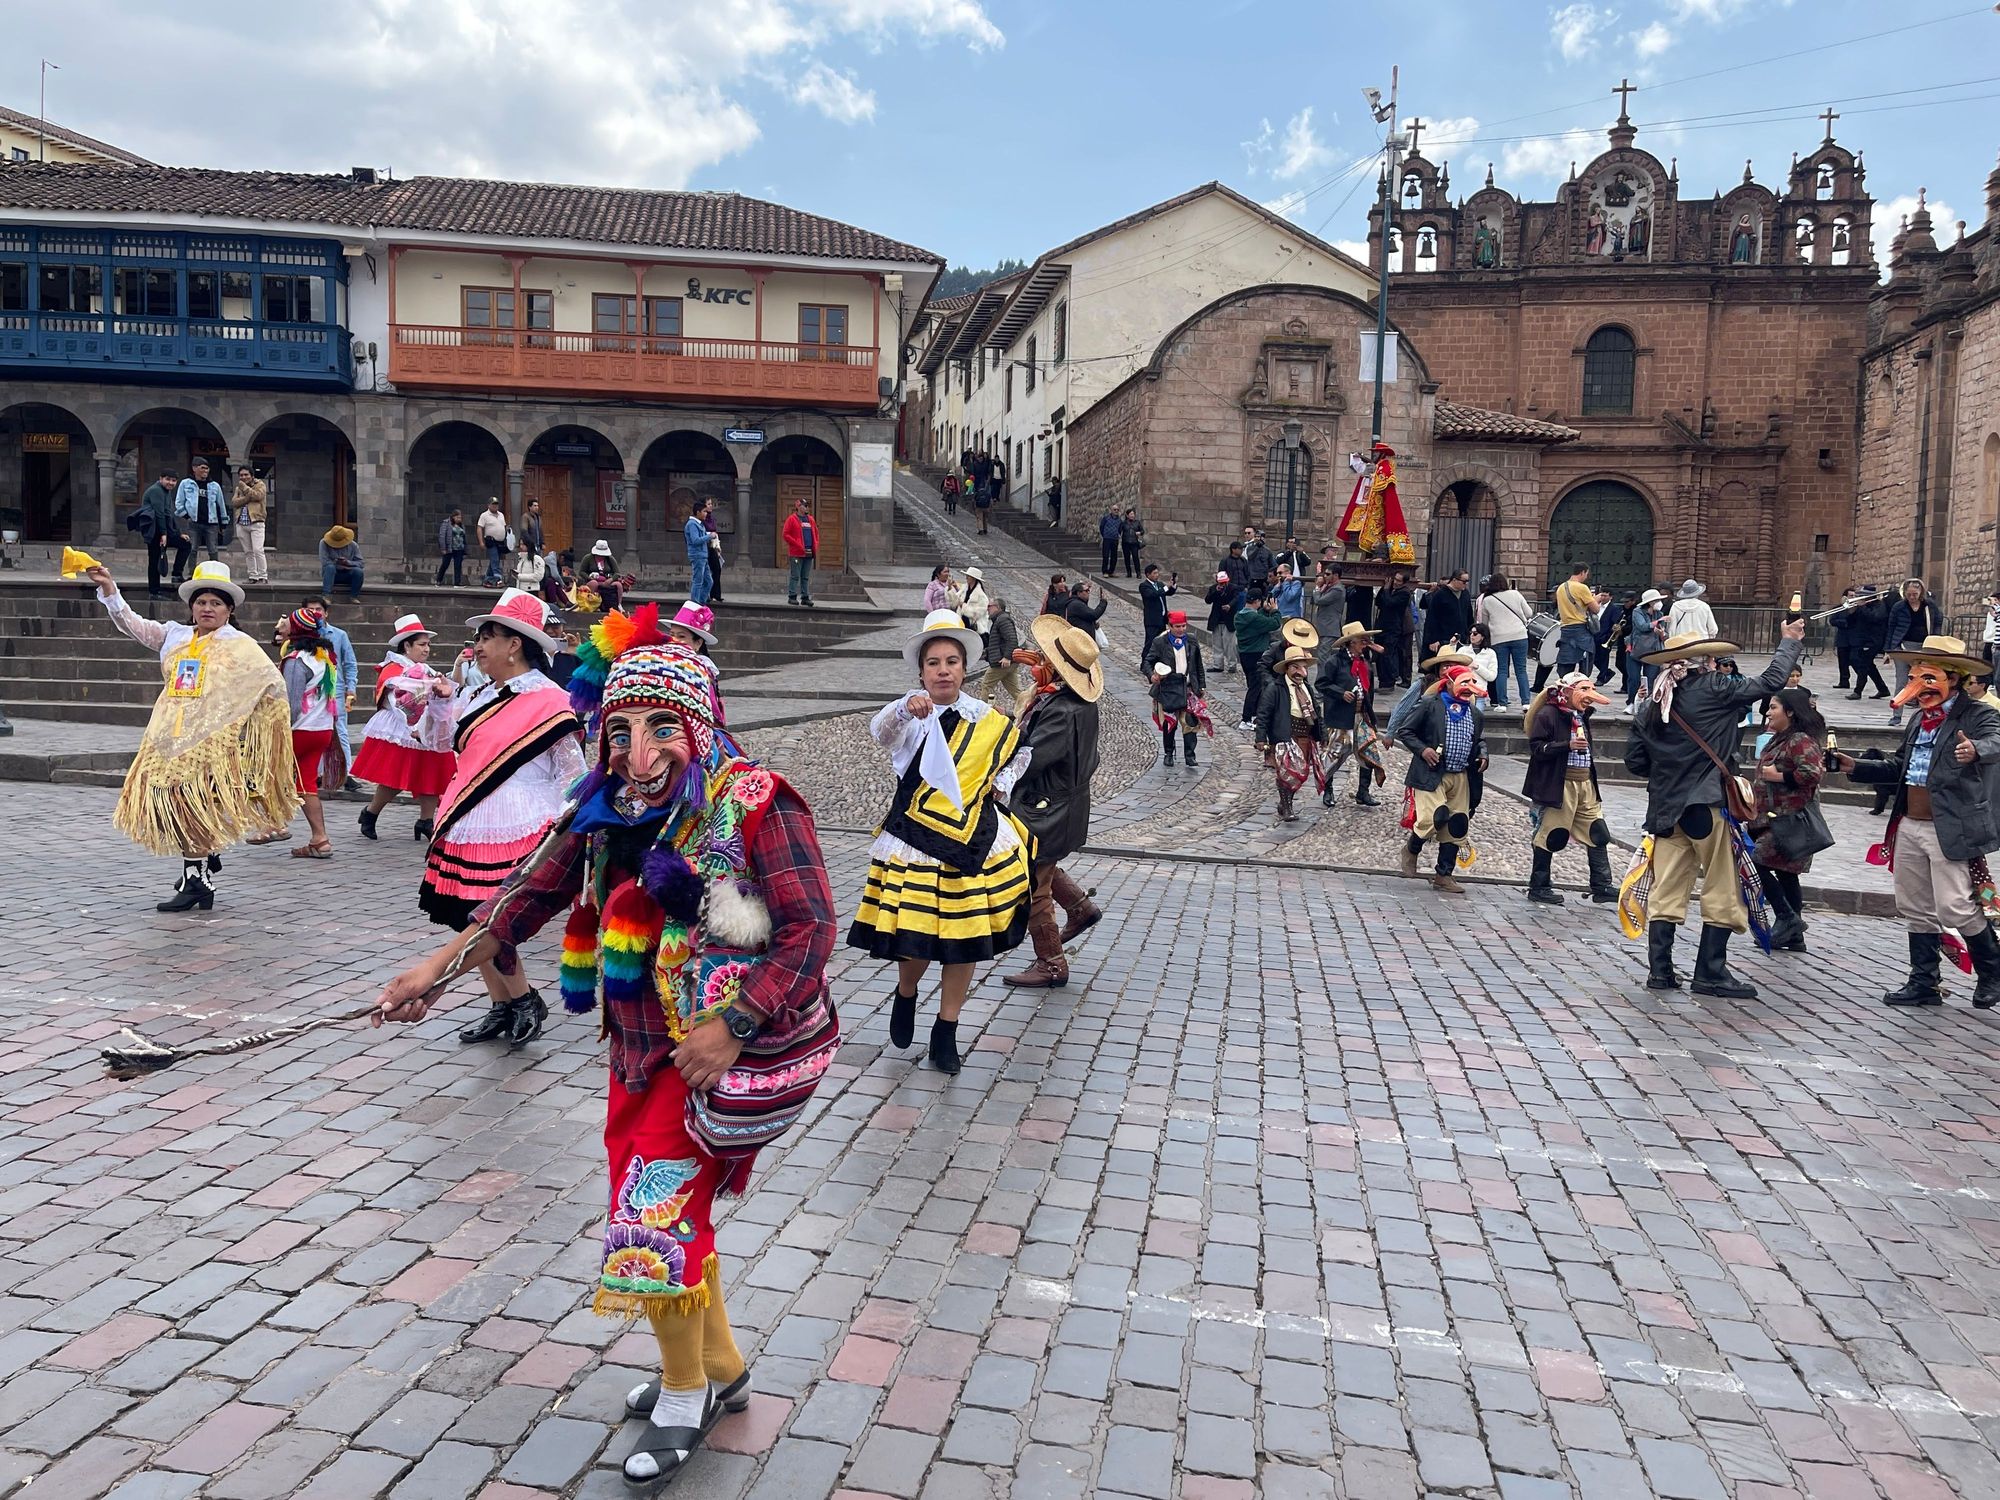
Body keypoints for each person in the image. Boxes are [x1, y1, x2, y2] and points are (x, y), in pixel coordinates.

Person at [374, 627, 837, 1488]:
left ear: (698, 724)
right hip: (637, 1052)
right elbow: (526, 895)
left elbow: (809, 931)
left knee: (651, 1220)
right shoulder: (602, 809)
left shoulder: (757, 802)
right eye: (620, 730)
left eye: (662, 727)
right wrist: (437, 968)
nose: (638, 751)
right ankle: (723, 1368)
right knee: (672, 1214)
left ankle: (687, 1392)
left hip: (711, 1053)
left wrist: (734, 1024)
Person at [849, 608, 1033, 1075]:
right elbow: (880, 733)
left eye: (952, 661)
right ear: (921, 672)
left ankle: (946, 1030)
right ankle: (906, 992)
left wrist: (1000, 787)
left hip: (969, 844)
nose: (944, 670)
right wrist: (903, 708)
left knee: (963, 940)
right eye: (934, 663)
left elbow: (1018, 752)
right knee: (915, 939)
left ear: (964, 668)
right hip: (915, 842)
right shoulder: (909, 713)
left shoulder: (986, 717)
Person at [420, 589, 588, 1048]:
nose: (478, 646)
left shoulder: (550, 700)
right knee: (468, 916)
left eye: (486, 637)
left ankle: (524, 1000)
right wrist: (441, 703)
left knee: (495, 918)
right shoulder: (480, 695)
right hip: (471, 819)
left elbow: (572, 773)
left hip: (520, 824)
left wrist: (564, 833)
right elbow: (442, 743)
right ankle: (504, 1003)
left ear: (514, 644)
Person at [83, 560, 298, 912]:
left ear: (229, 610)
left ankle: (196, 879)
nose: (207, 609)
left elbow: (272, 686)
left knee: (192, 809)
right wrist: (109, 588)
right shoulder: (175, 635)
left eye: (216, 603)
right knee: (171, 807)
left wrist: (250, 734)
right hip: (167, 738)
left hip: (210, 743)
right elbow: (131, 624)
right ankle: (201, 865)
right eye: (201, 602)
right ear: (192, 607)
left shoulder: (241, 646)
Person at [1625, 621, 1805, 997]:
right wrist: (1789, 642)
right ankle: (1710, 973)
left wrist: (1671, 768)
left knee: (1667, 889)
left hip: (1665, 810)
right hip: (1705, 804)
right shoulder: (1713, 687)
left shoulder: (1652, 702)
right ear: (1703, 661)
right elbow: (1770, 682)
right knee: (1723, 888)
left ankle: (1660, 972)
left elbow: (1635, 761)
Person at [1836, 633, 2000, 1007]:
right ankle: (1924, 981)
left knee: (1954, 906)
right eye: (1913, 677)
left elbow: (1996, 740)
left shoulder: (1977, 715)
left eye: (1927, 677)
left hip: (1950, 824)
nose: (1916, 686)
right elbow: (1900, 766)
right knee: (1915, 906)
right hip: (1910, 822)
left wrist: (1976, 749)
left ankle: (1993, 971)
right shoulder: (1918, 719)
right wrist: (1856, 766)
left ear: (1952, 678)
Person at [1000, 619, 1105, 988]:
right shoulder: (1070, 701)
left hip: (1048, 809)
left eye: (1044, 657)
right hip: (1062, 806)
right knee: (1041, 864)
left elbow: (1032, 758)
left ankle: (1052, 964)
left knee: (1032, 884)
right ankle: (1080, 907)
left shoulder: (1062, 709)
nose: (1038, 660)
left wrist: (999, 750)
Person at [353, 613, 457, 843]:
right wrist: (414, 725)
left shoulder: (423, 668)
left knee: (432, 774)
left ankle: (426, 821)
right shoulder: (393, 669)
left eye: (428, 644)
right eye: (422, 644)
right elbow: (398, 703)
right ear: (407, 646)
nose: (427, 649)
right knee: (395, 777)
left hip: (426, 727)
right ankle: (371, 812)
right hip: (402, 728)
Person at [1522, 671, 1617, 906]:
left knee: (1597, 832)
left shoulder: (1582, 715)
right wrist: (1567, 745)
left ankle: (1602, 885)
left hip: (1585, 784)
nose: (1589, 697)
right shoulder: (1548, 714)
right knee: (1551, 834)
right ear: (1567, 692)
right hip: (1559, 784)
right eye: (1583, 691)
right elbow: (1537, 748)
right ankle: (1539, 886)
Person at [1395, 660, 1489, 895]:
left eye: (1472, 683)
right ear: (1448, 683)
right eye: (1464, 682)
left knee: (1456, 826)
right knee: (1432, 818)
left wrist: (1483, 754)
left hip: (1460, 775)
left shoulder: (1475, 713)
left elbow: (1478, 740)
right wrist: (1423, 750)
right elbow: (1405, 731)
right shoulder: (1430, 705)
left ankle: (1444, 875)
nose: (1469, 687)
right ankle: (1412, 848)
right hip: (1431, 772)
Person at [1751, 687, 1827, 954]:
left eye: (1773, 707)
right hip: (1771, 819)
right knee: (1786, 874)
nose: (1768, 713)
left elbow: (1813, 773)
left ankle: (1787, 917)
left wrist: (1779, 777)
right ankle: (1794, 935)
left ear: (1790, 712)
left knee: (1753, 862)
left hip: (1789, 820)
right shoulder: (1781, 739)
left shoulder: (1799, 740)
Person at [279, 608, 342, 860]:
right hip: (321, 729)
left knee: (268, 774)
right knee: (305, 783)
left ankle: (274, 825)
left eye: (286, 624)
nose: (281, 626)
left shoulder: (296, 660)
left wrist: (279, 730)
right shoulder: (324, 656)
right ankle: (320, 839)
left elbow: (291, 704)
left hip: (299, 729)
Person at [1256, 644, 1326, 822]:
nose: (1299, 671)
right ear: (1286, 668)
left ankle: (1284, 802)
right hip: (1285, 735)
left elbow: (1317, 713)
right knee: (1287, 773)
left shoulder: (1307, 688)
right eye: (1295, 667)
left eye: (1302, 667)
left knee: (1301, 773)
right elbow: (1263, 713)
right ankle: (1287, 807)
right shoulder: (1275, 688)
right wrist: (1260, 738)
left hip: (1305, 736)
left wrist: (1322, 735)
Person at [1317, 620, 1383, 806]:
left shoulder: (1364, 663)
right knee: (1334, 755)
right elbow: (1321, 683)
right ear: (1351, 642)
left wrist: (1370, 715)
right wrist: (1340, 693)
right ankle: (1328, 790)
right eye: (1362, 640)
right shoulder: (1334, 662)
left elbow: (1369, 691)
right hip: (1340, 718)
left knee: (1368, 752)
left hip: (1361, 717)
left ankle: (1363, 792)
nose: (1365, 643)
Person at [1144, 609, 1207, 769]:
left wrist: (1201, 685)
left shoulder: (1191, 640)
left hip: (1188, 688)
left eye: (1183, 626)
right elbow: (1147, 662)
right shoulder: (1160, 642)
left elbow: (1198, 664)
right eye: (1177, 626)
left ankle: (1190, 755)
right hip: (1168, 688)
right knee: (1169, 723)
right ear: (1170, 626)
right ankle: (1169, 753)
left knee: (1190, 723)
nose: (1181, 629)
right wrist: (1152, 675)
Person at [1882, 579, 1944, 726]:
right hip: (1902, 647)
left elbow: (1938, 622)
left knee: (1926, 682)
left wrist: (1935, 640)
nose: (1912, 597)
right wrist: (1888, 650)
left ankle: (1930, 717)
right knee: (1901, 682)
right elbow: (1891, 628)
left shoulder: (1929, 606)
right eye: (1909, 594)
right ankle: (1896, 716)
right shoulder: (1899, 607)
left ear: (1921, 592)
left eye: (1915, 594)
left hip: (1924, 648)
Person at [1476, 572, 1533, 708]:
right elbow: (1529, 613)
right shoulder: (1515, 594)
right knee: (1521, 670)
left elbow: (1484, 623)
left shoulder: (1487, 600)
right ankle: (1526, 702)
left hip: (1498, 638)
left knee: (1501, 670)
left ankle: (1502, 703)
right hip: (1519, 636)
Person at [139, 467, 190, 599]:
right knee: (155, 560)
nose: (170, 483)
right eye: (168, 479)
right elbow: (159, 514)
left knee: (185, 544)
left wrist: (178, 533)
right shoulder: (156, 491)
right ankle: (154, 592)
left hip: (164, 531)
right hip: (154, 531)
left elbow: (169, 514)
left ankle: (176, 574)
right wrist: (163, 534)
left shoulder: (165, 492)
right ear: (161, 479)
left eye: (173, 480)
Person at [1234, 585, 1280, 729]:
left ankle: (1254, 715)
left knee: (1254, 685)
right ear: (1257, 601)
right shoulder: (1254, 617)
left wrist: (1264, 611)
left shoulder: (1240, 615)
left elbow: (1259, 622)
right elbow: (1274, 623)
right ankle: (1246, 718)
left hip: (1245, 654)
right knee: (1255, 687)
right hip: (1256, 655)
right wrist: (1274, 611)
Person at [177, 457, 231, 563]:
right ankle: (192, 571)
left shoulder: (215, 486)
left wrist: (223, 523)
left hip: (211, 523)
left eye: (207, 468)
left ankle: (214, 570)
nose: (205, 471)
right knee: (192, 549)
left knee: (213, 549)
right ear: (194, 468)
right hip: (193, 522)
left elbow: (221, 505)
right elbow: (179, 502)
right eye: (202, 468)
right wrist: (186, 516)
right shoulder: (185, 483)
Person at [976, 597, 1028, 705]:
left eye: (989, 606)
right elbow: (999, 642)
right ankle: (1027, 707)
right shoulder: (999, 620)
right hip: (1007, 662)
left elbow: (1012, 639)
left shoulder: (1003, 620)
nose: (987, 609)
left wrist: (1007, 657)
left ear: (998, 607)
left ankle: (985, 710)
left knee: (986, 684)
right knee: (1015, 690)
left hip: (1002, 662)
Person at [1624, 588, 1667, 711]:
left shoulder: (1659, 614)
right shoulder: (1637, 611)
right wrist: (1657, 622)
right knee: (1634, 678)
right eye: (1657, 600)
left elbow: (1664, 633)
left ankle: (1647, 704)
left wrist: (1662, 633)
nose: (1659, 603)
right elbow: (1642, 626)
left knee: (1651, 678)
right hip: (1636, 649)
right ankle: (1632, 702)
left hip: (1653, 650)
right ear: (1651, 602)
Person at [1419, 569, 1474, 660]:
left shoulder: (1465, 594)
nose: (1466, 584)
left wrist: (1470, 633)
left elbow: (1469, 616)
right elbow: (1432, 619)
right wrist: (1431, 640)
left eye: (1468, 581)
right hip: (1444, 638)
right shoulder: (1440, 595)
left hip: (1461, 638)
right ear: (1454, 580)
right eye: (1464, 581)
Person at [1554, 562, 1596, 672]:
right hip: (1580, 630)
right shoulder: (1582, 588)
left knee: (1565, 665)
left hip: (1565, 629)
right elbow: (1595, 609)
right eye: (1586, 574)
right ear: (1582, 572)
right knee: (1585, 665)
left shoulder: (1561, 587)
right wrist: (1596, 599)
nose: (1586, 576)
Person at [231, 465, 269, 585]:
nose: (243, 477)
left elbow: (258, 496)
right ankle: (253, 576)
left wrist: (245, 489)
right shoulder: (238, 488)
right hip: (242, 523)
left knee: (258, 550)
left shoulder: (260, 485)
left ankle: (263, 576)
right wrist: (248, 498)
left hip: (256, 522)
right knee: (248, 552)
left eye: (246, 474)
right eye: (241, 475)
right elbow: (234, 502)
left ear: (252, 475)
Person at [1377, 571, 1415, 688]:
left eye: (1399, 581)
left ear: (1404, 583)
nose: (1395, 582)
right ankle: (1383, 681)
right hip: (1382, 625)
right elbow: (1379, 602)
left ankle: (1389, 682)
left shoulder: (1404, 593)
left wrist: (1386, 590)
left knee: (1388, 654)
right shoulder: (1389, 589)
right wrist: (1384, 588)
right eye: (1395, 579)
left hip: (1393, 627)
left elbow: (1390, 603)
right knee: (1379, 654)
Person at [782, 496, 818, 607]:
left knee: (805, 576)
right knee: (795, 575)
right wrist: (797, 544)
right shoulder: (791, 519)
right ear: (798, 506)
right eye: (804, 505)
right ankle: (792, 596)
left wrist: (815, 545)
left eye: (807, 505)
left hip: (808, 553)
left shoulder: (811, 519)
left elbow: (816, 533)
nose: (806, 507)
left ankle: (805, 597)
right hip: (796, 553)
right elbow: (785, 534)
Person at [1205, 570, 1241, 673]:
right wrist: (1215, 592)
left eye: (1224, 583)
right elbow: (1207, 600)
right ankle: (1218, 665)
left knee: (1230, 645)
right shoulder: (1213, 588)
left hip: (1228, 620)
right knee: (1217, 644)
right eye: (1220, 583)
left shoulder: (1233, 588)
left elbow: (1236, 599)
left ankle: (1232, 665)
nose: (1222, 585)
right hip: (1216, 619)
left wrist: (1229, 605)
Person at [1139, 563, 1177, 655]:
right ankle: (1145, 661)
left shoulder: (1159, 584)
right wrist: (1166, 588)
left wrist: (1173, 585)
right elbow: (1153, 594)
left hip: (1162, 619)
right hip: (1152, 620)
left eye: (1157, 573)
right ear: (1148, 575)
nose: (1157, 575)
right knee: (1150, 642)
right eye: (1154, 573)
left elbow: (1168, 592)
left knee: (1162, 643)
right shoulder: (1144, 586)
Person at [1311, 555, 1346, 654]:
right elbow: (1313, 600)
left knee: (1323, 656)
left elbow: (1319, 601)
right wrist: (1322, 587)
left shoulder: (1337, 589)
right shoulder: (1328, 587)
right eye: (1324, 574)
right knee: (1321, 655)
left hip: (1329, 629)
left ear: (1336, 575)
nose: (1325, 576)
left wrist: (1317, 588)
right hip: (1323, 628)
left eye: (1327, 574)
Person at [319, 525, 364, 600]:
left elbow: (361, 563)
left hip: (348, 573)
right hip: (331, 574)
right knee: (330, 567)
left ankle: (353, 597)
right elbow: (325, 562)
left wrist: (348, 563)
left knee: (359, 572)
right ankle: (326, 596)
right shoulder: (323, 543)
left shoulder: (353, 545)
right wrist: (339, 565)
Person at [681, 500, 712, 606]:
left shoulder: (699, 524)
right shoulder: (692, 524)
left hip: (703, 555)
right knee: (698, 581)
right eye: (704, 511)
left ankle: (701, 603)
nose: (706, 514)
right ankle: (695, 604)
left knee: (708, 581)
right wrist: (709, 536)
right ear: (698, 512)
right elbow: (695, 540)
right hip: (697, 555)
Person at [582, 540, 624, 612]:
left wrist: (610, 580)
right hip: (593, 581)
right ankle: (593, 604)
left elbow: (617, 573)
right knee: (594, 583)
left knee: (618, 585)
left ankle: (618, 604)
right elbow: (581, 572)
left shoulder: (610, 559)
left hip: (606, 580)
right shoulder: (588, 558)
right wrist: (589, 577)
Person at [478, 498, 510, 586]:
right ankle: (498, 579)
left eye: (496, 504)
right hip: (491, 541)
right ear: (489, 505)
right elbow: (479, 528)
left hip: (500, 542)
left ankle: (487, 580)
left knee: (494, 561)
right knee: (495, 560)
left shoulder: (501, 515)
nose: (495, 506)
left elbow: (503, 526)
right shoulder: (484, 515)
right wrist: (481, 542)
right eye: (493, 504)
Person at [436, 508, 467, 587]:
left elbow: (464, 537)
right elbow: (442, 536)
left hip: (459, 548)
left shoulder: (461, 525)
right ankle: (438, 580)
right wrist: (443, 548)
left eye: (460, 518)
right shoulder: (446, 523)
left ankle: (457, 582)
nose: (459, 519)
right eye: (457, 517)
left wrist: (465, 548)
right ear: (453, 517)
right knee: (445, 564)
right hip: (450, 547)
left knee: (458, 565)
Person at [704, 500, 727, 604]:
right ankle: (707, 595)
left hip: (713, 546)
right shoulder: (701, 520)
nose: (711, 506)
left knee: (717, 568)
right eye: (708, 504)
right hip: (705, 546)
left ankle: (716, 595)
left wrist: (718, 546)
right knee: (707, 572)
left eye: (711, 504)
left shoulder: (712, 519)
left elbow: (715, 532)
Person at [960, 567, 992, 638]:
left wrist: (963, 607)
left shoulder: (981, 596)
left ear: (973, 578)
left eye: (968, 576)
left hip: (974, 628)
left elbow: (978, 613)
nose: (966, 578)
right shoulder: (964, 589)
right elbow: (954, 602)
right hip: (962, 623)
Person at [1119, 508, 1146, 578]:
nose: (1132, 515)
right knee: (1127, 558)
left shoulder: (1137, 522)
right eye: (1131, 514)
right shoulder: (1123, 523)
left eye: (1133, 514)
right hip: (1125, 543)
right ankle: (1129, 572)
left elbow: (1142, 531)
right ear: (1127, 515)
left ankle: (1138, 573)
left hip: (1134, 543)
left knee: (1135, 558)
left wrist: (1139, 533)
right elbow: (1119, 531)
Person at [1098, 508, 1122, 577]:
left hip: (1115, 539)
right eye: (1115, 509)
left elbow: (1120, 529)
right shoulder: (1106, 518)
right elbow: (1101, 527)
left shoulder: (1119, 520)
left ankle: (1111, 571)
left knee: (1114, 556)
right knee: (1106, 555)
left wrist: (1117, 534)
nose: (1116, 511)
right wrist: (1105, 535)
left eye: (1117, 510)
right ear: (1111, 510)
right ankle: (1105, 571)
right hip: (1107, 539)